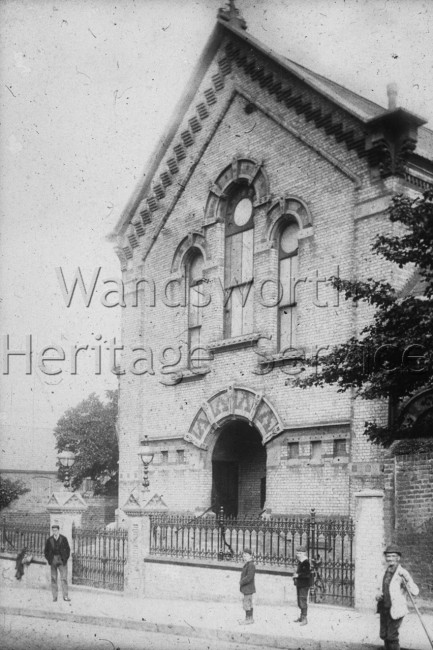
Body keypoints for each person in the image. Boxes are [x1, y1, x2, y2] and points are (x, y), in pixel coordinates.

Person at [376, 544, 419, 650]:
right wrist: (378, 595)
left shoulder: (402, 573)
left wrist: (407, 583)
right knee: (384, 635)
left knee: (392, 637)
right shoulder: (384, 572)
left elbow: (415, 591)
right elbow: (379, 589)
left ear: (398, 558)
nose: (390, 558)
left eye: (393, 556)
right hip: (384, 608)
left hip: (396, 609)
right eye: (388, 556)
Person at [44, 524, 71, 602]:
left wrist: (65, 559)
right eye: (53, 530)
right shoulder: (49, 540)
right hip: (53, 560)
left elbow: (68, 550)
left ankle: (65, 596)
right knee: (53, 579)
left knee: (64, 579)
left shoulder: (63, 539)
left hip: (62, 560)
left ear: (58, 530)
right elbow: (46, 551)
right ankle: (54, 597)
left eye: (56, 530)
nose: (54, 532)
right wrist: (50, 559)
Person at [293, 545, 312, 626]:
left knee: (302, 601)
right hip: (300, 584)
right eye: (297, 553)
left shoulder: (306, 562)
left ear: (304, 554)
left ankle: (304, 618)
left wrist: (298, 575)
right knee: (299, 601)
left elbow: (307, 575)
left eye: (300, 553)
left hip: (304, 585)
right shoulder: (300, 562)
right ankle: (301, 617)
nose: (298, 555)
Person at [239, 548, 256, 625]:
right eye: (244, 555)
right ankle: (250, 619)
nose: (244, 557)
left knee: (247, 604)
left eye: (246, 555)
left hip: (248, 588)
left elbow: (249, 577)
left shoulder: (251, 565)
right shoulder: (248, 564)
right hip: (247, 588)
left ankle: (248, 619)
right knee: (248, 603)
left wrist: (241, 582)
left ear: (251, 556)